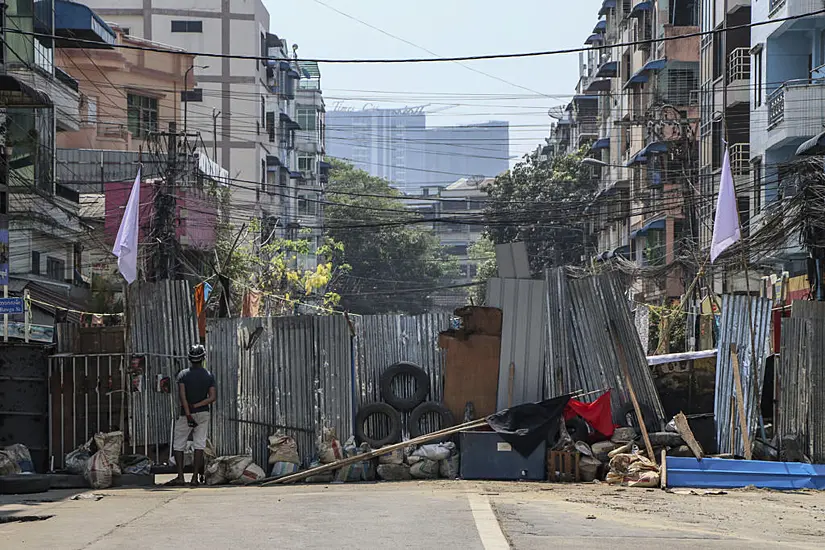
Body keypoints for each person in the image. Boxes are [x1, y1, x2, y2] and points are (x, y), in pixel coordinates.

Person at [167, 344, 216, 486]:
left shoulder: (183, 375)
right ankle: (195, 478)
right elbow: (212, 397)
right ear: (203, 358)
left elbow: (182, 398)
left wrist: (188, 414)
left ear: (190, 358)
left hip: (185, 415)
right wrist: (198, 405)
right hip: (203, 413)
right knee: (199, 444)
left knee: (179, 444)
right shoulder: (208, 375)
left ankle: (181, 476)